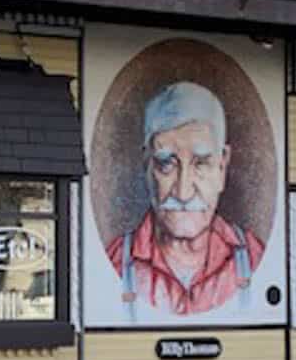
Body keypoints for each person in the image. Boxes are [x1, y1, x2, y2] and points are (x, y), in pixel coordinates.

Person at [107, 80, 264, 318]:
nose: (183, 193)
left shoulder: (254, 257)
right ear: (146, 165)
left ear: (222, 166)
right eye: (166, 164)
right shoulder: (115, 261)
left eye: (201, 163)